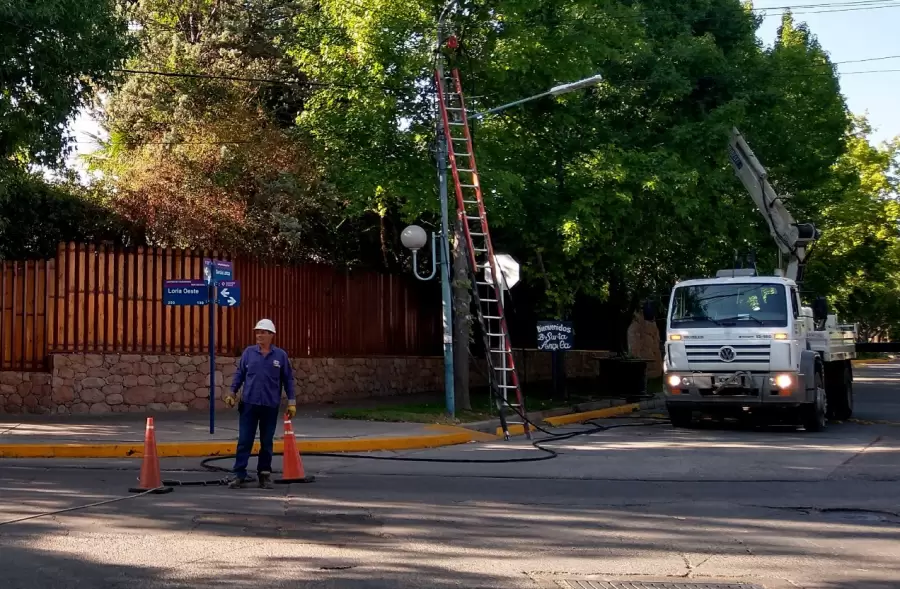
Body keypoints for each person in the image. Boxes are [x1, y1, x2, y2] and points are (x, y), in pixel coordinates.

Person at [224, 318, 296, 489]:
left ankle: (264, 474)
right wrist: (231, 392)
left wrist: (291, 402)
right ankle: (239, 474)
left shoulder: (280, 356)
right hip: (249, 404)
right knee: (244, 440)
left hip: (270, 405)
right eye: (257, 332)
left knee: (266, 441)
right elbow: (240, 374)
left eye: (263, 332)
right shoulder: (249, 353)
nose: (259, 335)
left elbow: (288, 380)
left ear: (271, 335)